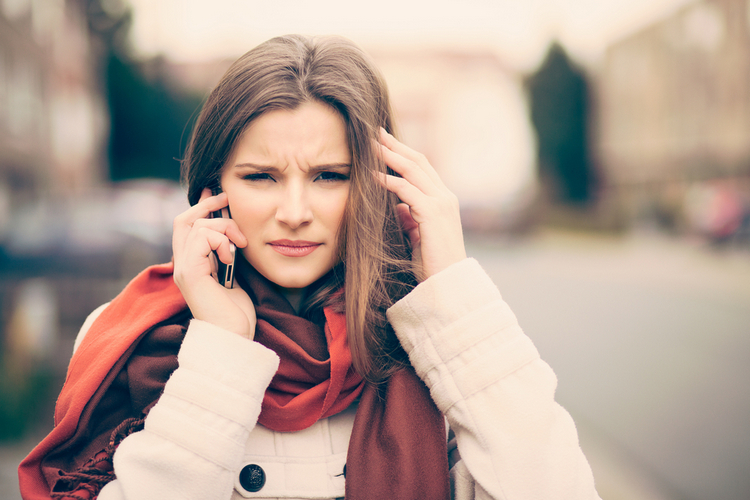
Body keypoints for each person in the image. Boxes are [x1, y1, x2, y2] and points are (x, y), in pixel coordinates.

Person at [19, 34, 601, 500]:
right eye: (260, 177)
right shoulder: (132, 338)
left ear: (378, 187)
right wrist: (220, 348)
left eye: (330, 175)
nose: (294, 213)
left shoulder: (436, 351)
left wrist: (453, 294)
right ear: (211, 189)